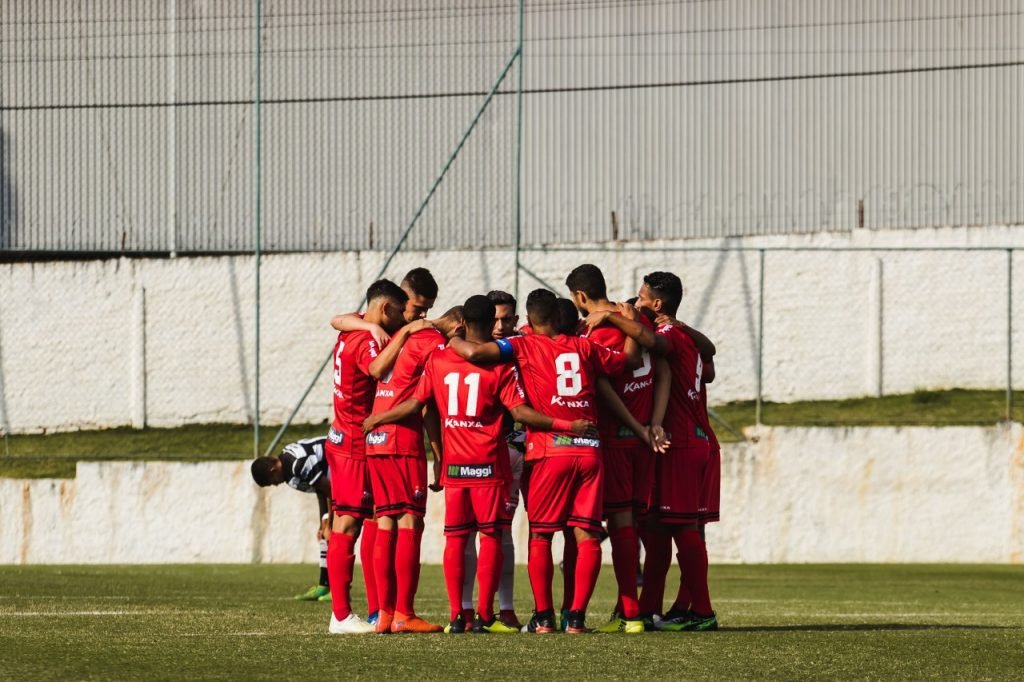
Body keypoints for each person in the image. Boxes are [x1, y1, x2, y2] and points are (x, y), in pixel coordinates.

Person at [366, 295, 596, 634]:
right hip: (489, 464)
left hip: (457, 466)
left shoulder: (439, 360)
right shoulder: (499, 365)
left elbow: (416, 404)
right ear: (491, 324)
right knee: (491, 535)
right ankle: (486, 615)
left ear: (462, 324)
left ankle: (459, 615)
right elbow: (519, 413)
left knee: (456, 540)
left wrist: (377, 418)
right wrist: (566, 425)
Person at [449, 288, 641, 634]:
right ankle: (577, 619)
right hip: (589, 450)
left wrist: (452, 340)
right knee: (588, 537)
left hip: (550, 450)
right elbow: (626, 361)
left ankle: (544, 617)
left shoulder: (521, 345)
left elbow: (476, 354)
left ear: (530, 318)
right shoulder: (583, 346)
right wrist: (631, 324)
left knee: (540, 536)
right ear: (555, 316)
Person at [583, 271, 718, 632]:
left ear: (656, 305)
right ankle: (651, 608)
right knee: (658, 529)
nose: (635, 303)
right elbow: (710, 363)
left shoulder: (665, 336)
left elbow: (652, 350)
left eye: (640, 298)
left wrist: (611, 315)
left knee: (686, 529)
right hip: (681, 439)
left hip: (680, 441)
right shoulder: (679, 334)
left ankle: (701, 611)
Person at [565, 264, 672, 634]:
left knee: (614, 523)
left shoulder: (593, 329)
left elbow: (604, 388)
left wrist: (637, 427)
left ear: (579, 297)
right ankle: (631, 611)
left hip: (615, 437)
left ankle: (630, 612)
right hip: (643, 439)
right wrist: (652, 424)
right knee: (632, 522)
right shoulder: (637, 317)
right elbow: (663, 368)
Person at [362, 305, 463, 634]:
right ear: (460, 325)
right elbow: (426, 406)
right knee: (410, 520)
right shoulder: (435, 344)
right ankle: (405, 613)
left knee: (385, 521)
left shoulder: (404, 335)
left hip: (376, 442)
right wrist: (439, 454)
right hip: (400, 440)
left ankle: (384, 615)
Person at [323, 279, 408, 634]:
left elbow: (337, 318)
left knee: (369, 516)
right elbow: (375, 370)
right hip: (354, 445)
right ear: (386, 308)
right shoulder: (366, 341)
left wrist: (371, 323)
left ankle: (374, 609)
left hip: (345, 436)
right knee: (348, 523)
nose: (403, 319)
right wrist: (404, 337)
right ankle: (340, 615)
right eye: (400, 312)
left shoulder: (356, 326)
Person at [250, 436, 333, 602]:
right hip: (331, 480)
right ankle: (324, 585)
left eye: (271, 482)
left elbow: (331, 490)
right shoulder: (287, 469)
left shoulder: (296, 464)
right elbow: (320, 489)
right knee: (325, 535)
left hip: (347, 464)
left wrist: (330, 521)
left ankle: (340, 590)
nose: (275, 485)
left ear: (273, 470)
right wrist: (322, 523)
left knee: (338, 533)